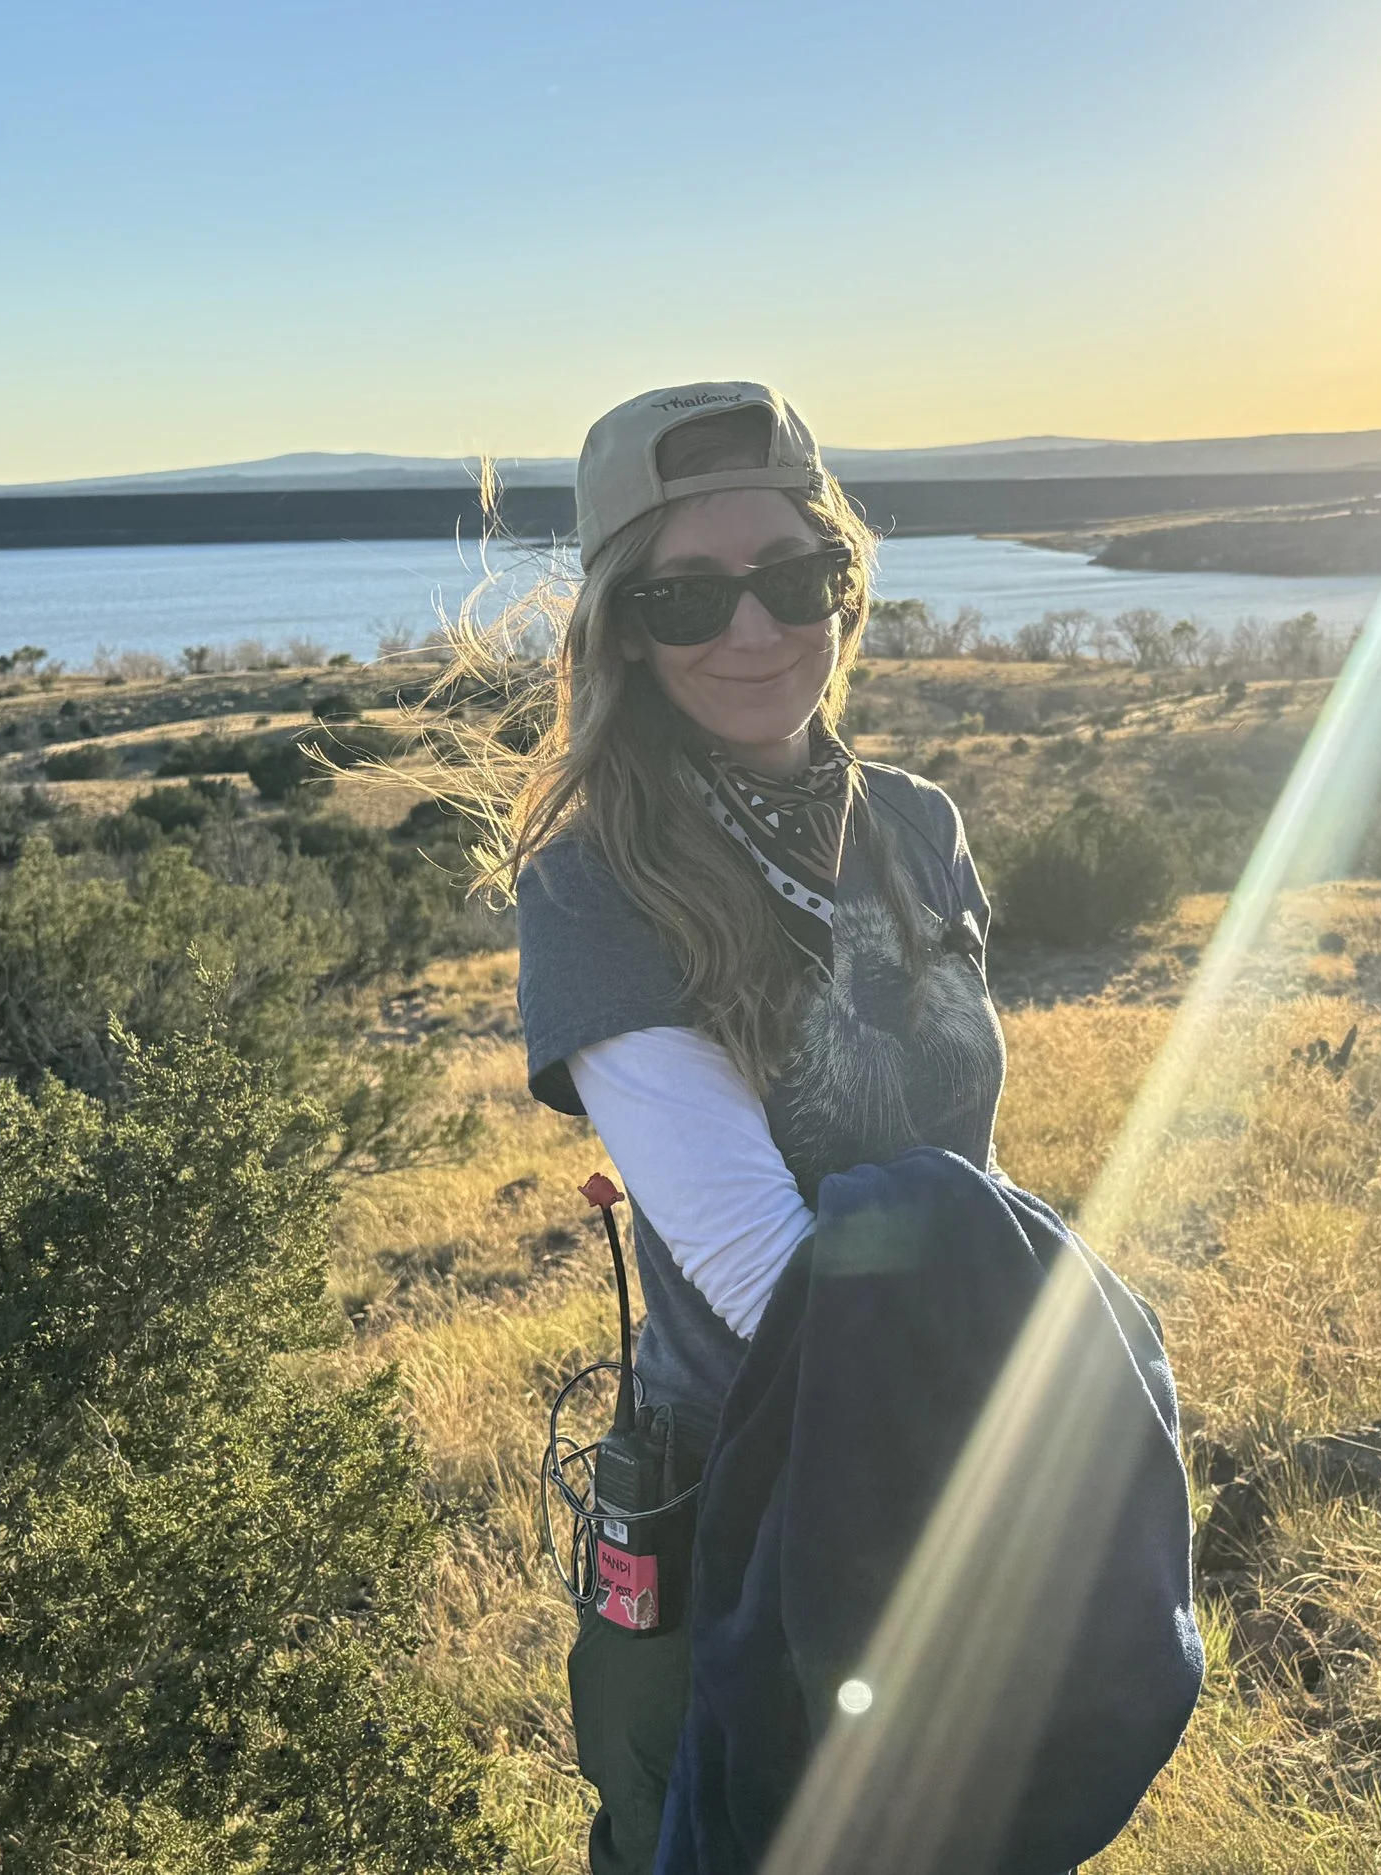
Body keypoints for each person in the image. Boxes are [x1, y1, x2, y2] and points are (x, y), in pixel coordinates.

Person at [474, 381, 1005, 1875]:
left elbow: (965, 1143)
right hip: (763, 1502)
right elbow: (758, 1259)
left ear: (845, 583)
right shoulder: (602, 882)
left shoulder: (917, 824)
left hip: (952, 1454)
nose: (756, 631)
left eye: (792, 579)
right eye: (688, 598)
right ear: (622, 627)